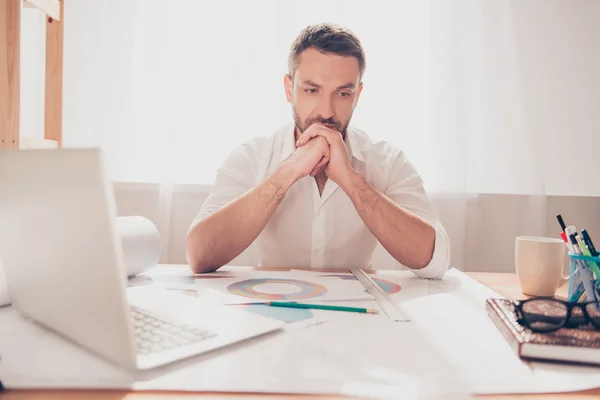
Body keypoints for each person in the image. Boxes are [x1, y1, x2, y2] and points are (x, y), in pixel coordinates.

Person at [186, 23, 450, 278]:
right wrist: (286, 174)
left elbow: (435, 261)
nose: (326, 111)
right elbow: (199, 255)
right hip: (272, 310)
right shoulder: (251, 156)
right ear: (290, 89)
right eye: (312, 90)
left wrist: (350, 180)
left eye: (342, 94)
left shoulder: (389, 161)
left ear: (357, 95)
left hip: (359, 314)